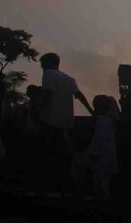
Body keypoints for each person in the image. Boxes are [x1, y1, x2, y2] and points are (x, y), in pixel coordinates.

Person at [39, 53, 94, 193]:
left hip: (50, 120)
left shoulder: (48, 74)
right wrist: (92, 112)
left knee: (47, 154)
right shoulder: (69, 79)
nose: (41, 67)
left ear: (48, 64)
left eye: (42, 64)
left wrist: (37, 109)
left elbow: (48, 93)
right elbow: (79, 95)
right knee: (64, 156)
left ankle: (48, 187)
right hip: (66, 122)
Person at [86, 95, 119, 200]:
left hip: (99, 157)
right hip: (109, 156)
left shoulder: (100, 121)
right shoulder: (112, 120)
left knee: (99, 185)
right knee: (105, 184)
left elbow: (98, 139)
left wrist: (93, 153)